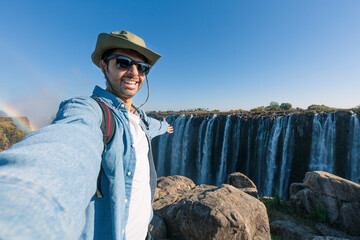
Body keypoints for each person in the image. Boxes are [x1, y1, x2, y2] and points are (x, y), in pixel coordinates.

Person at [0, 30, 173, 240]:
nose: (134, 72)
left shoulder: (141, 119)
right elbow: (68, 147)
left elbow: (152, 126)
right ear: (104, 64)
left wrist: (165, 126)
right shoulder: (89, 110)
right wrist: (24, 200)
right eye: (123, 62)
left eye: (142, 67)